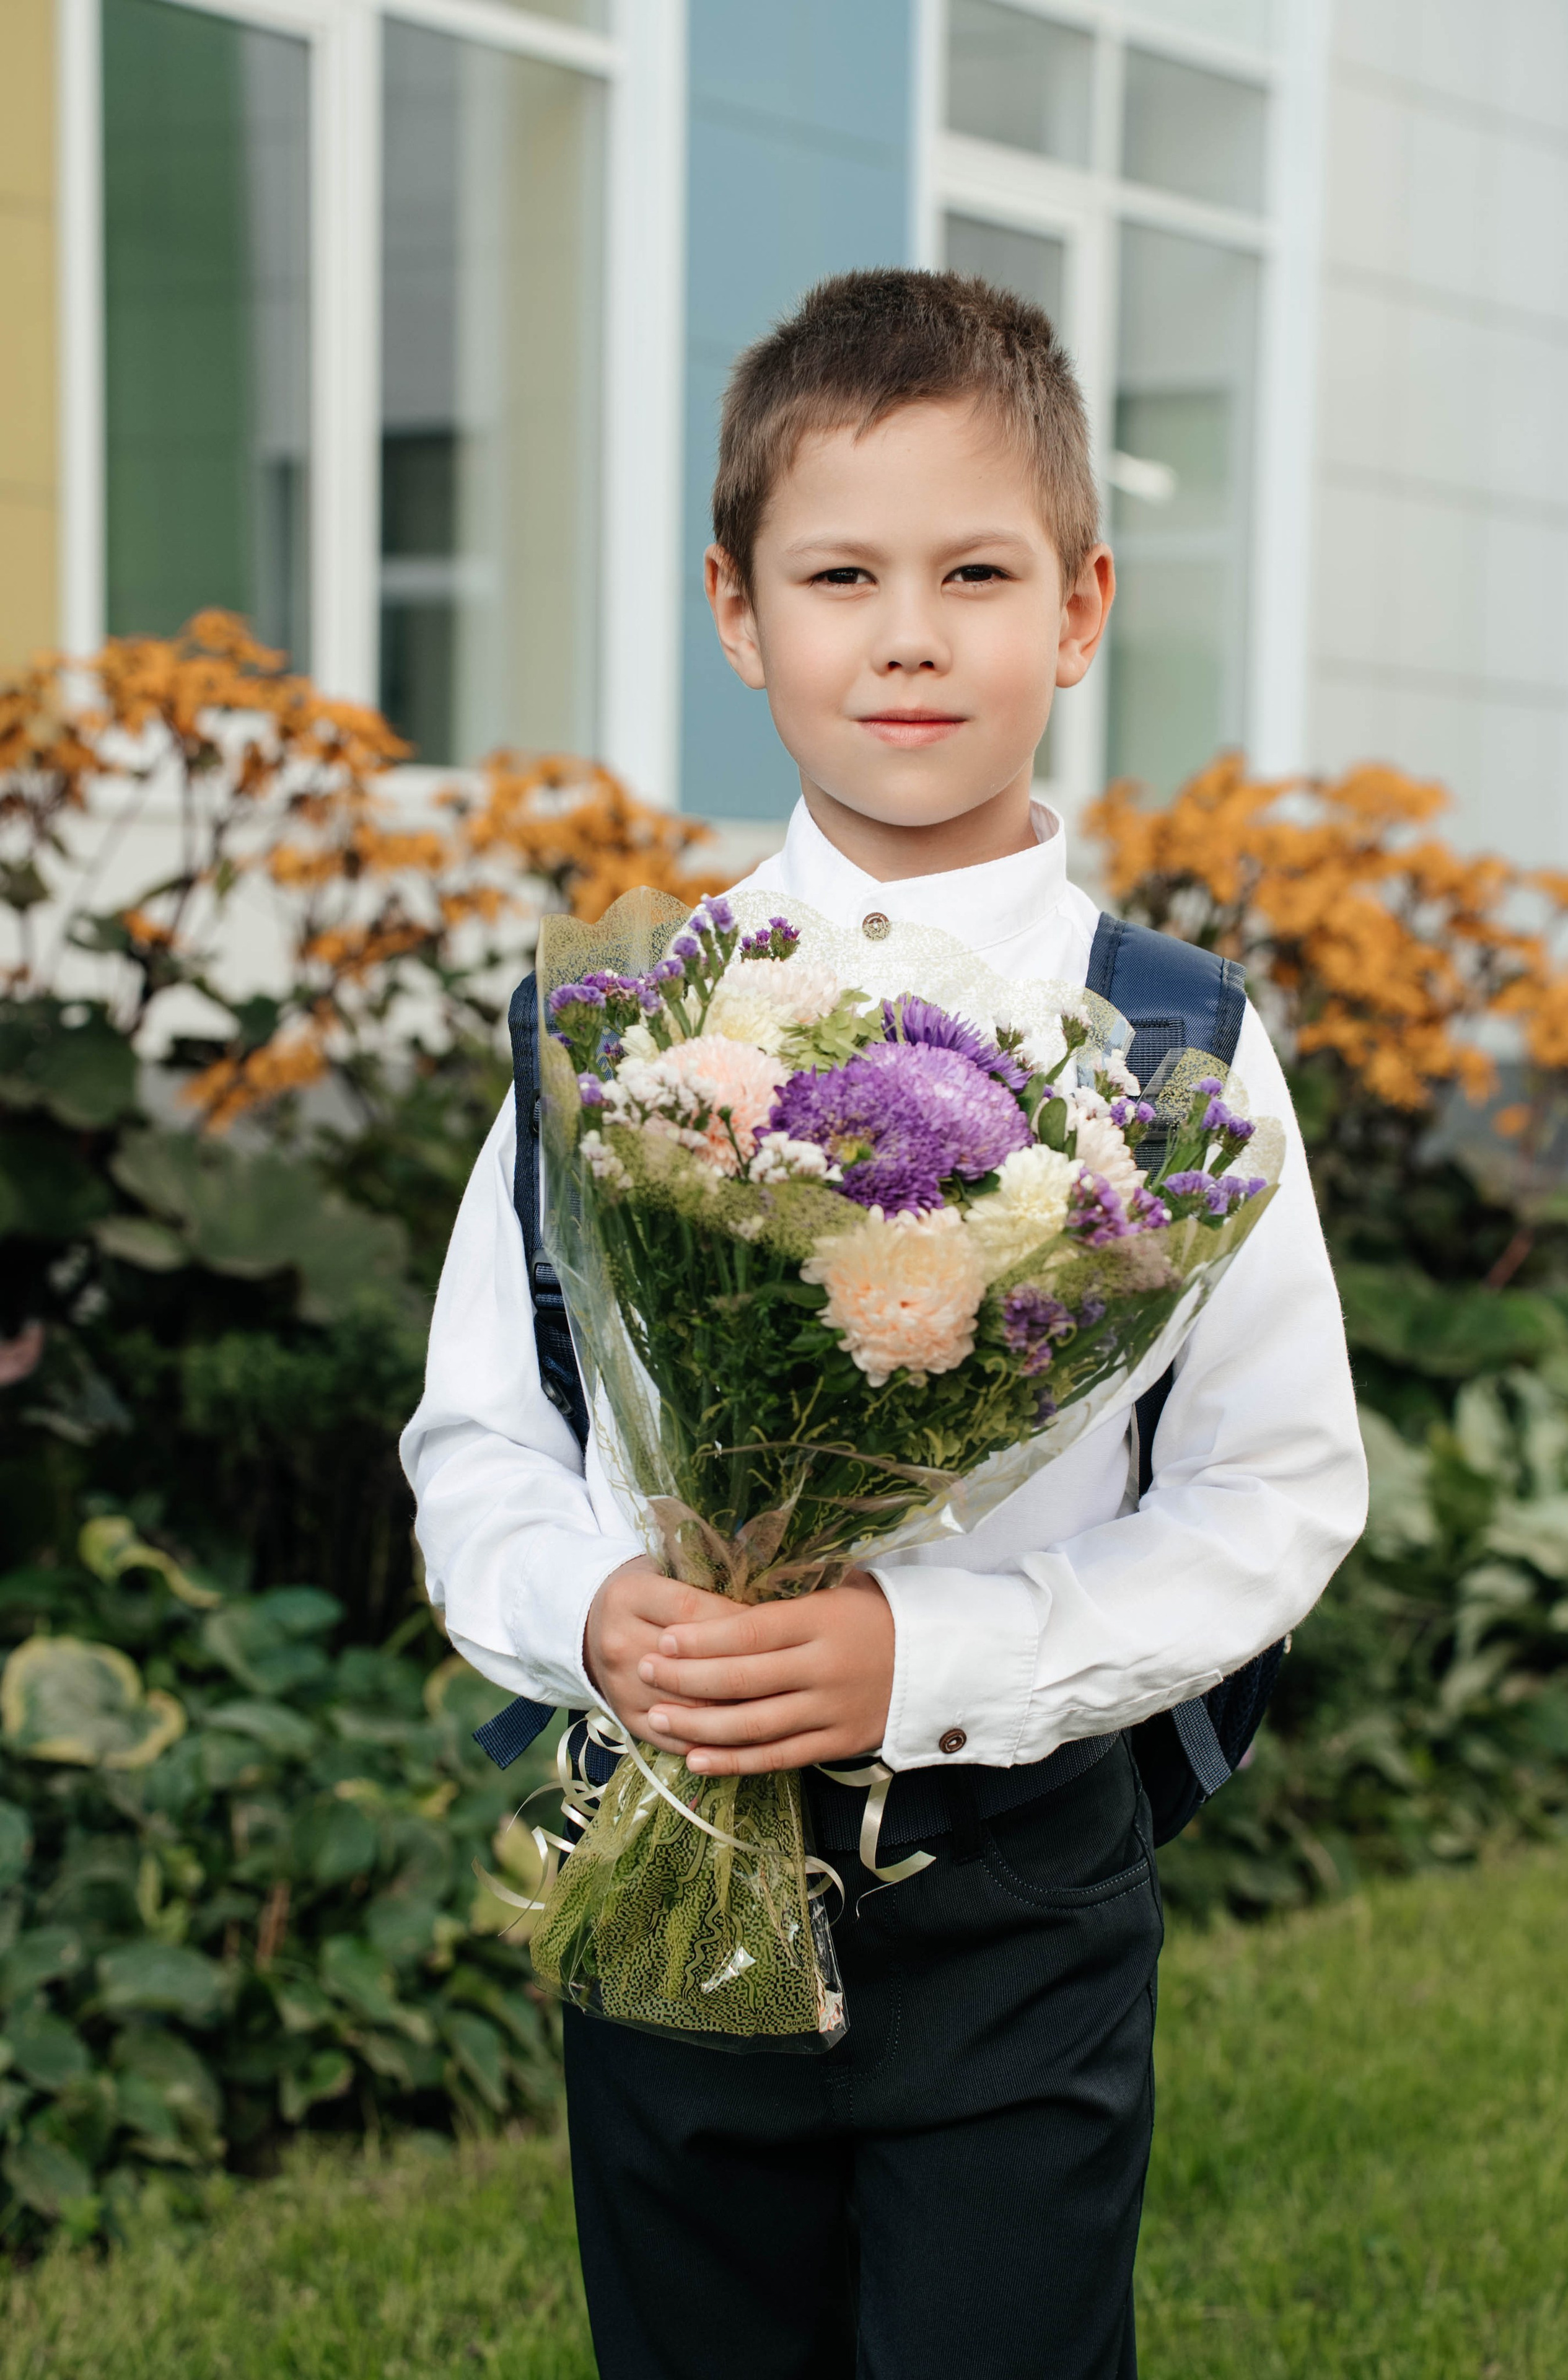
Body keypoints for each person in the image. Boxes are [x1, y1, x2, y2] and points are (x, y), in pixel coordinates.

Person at [401, 269, 1367, 2380]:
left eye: (976, 571)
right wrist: (591, 1615)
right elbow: (482, 1428)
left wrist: (927, 1657)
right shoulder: (618, 1020)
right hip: (671, 1846)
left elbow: (1274, 1484)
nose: (909, 631)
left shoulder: (1175, 1046)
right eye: (841, 573)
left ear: (1083, 607)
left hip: (1011, 1889)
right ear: (740, 614)